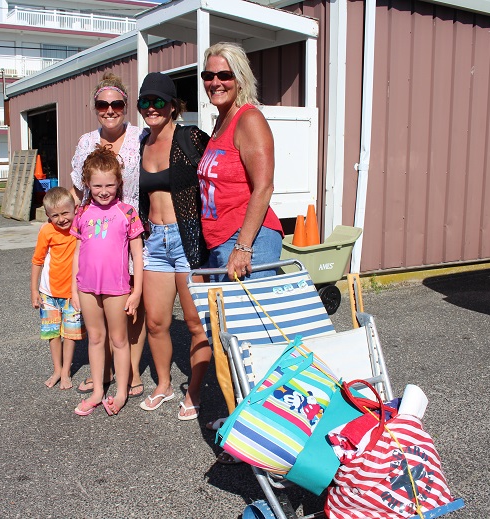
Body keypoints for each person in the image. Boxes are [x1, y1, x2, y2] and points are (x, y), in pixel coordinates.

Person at [197, 42, 284, 462]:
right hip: (220, 246)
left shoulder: (249, 120)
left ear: (240, 78)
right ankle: (242, 420)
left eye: (224, 75)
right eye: (209, 76)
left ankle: (263, 435)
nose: (216, 82)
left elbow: (263, 186)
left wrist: (242, 246)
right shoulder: (219, 123)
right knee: (230, 341)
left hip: (248, 242)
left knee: (252, 342)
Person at [134, 72, 211, 420]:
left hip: (187, 239)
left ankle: (193, 392)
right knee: (156, 322)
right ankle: (163, 384)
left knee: (196, 323)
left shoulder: (190, 137)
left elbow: (219, 174)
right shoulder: (140, 143)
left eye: (158, 101)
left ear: (173, 105)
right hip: (154, 242)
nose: (151, 108)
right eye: (145, 102)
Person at [70, 72, 146, 400]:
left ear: (126, 105)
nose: (110, 109)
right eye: (103, 103)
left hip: (132, 228)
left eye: (116, 103)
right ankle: (104, 374)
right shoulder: (87, 141)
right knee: (100, 314)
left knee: (130, 308)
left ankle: (130, 377)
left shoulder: (141, 137)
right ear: (95, 106)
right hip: (98, 234)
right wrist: (84, 218)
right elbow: (77, 185)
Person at [30, 187, 84, 391]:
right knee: (53, 333)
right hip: (49, 293)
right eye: (55, 215)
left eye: (65, 213)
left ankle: (66, 371)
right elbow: (37, 261)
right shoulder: (46, 231)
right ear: (48, 216)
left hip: (73, 294)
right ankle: (56, 369)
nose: (61, 219)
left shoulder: (79, 226)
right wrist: (34, 291)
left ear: (75, 210)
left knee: (70, 334)